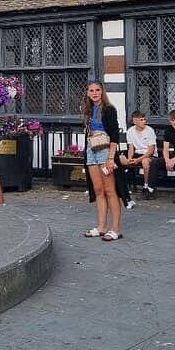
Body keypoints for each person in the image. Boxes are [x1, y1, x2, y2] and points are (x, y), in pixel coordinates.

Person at [81, 81, 121, 239]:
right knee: (98, 190)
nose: (95, 93)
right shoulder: (88, 110)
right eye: (91, 90)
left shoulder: (109, 109)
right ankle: (101, 226)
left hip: (105, 150)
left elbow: (114, 135)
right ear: (87, 93)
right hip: (91, 150)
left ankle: (115, 228)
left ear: (102, 92)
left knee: (110, 190)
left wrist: (111, 158)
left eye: (98, 90)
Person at [118, 110, 156, 206]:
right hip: (136, 153)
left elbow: (151, 151)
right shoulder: (130, 131)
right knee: (121, 158)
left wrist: (138, 160)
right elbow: (131, 148)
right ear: (135, 121)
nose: (144, 121)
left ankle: (146, 187)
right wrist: (130, 158)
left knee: (145, 162)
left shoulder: (150, 131)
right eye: (141, 120)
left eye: (144, 119)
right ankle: (122, 186)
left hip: (148, 154)